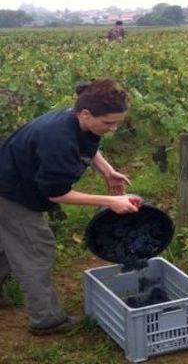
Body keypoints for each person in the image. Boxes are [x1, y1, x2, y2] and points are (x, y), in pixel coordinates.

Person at [0, 78, 140, 335]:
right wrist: (110, 201)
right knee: (36, 249)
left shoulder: (78, 119)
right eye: (108, 122)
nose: (113, 129)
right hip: (9, 194)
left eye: (117, 122)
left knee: (12, 244)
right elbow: (57, 194)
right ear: (86, 114)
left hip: (14, 181)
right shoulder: (57, 138)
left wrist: (108, 171)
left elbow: (88, 145)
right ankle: (46, 320)